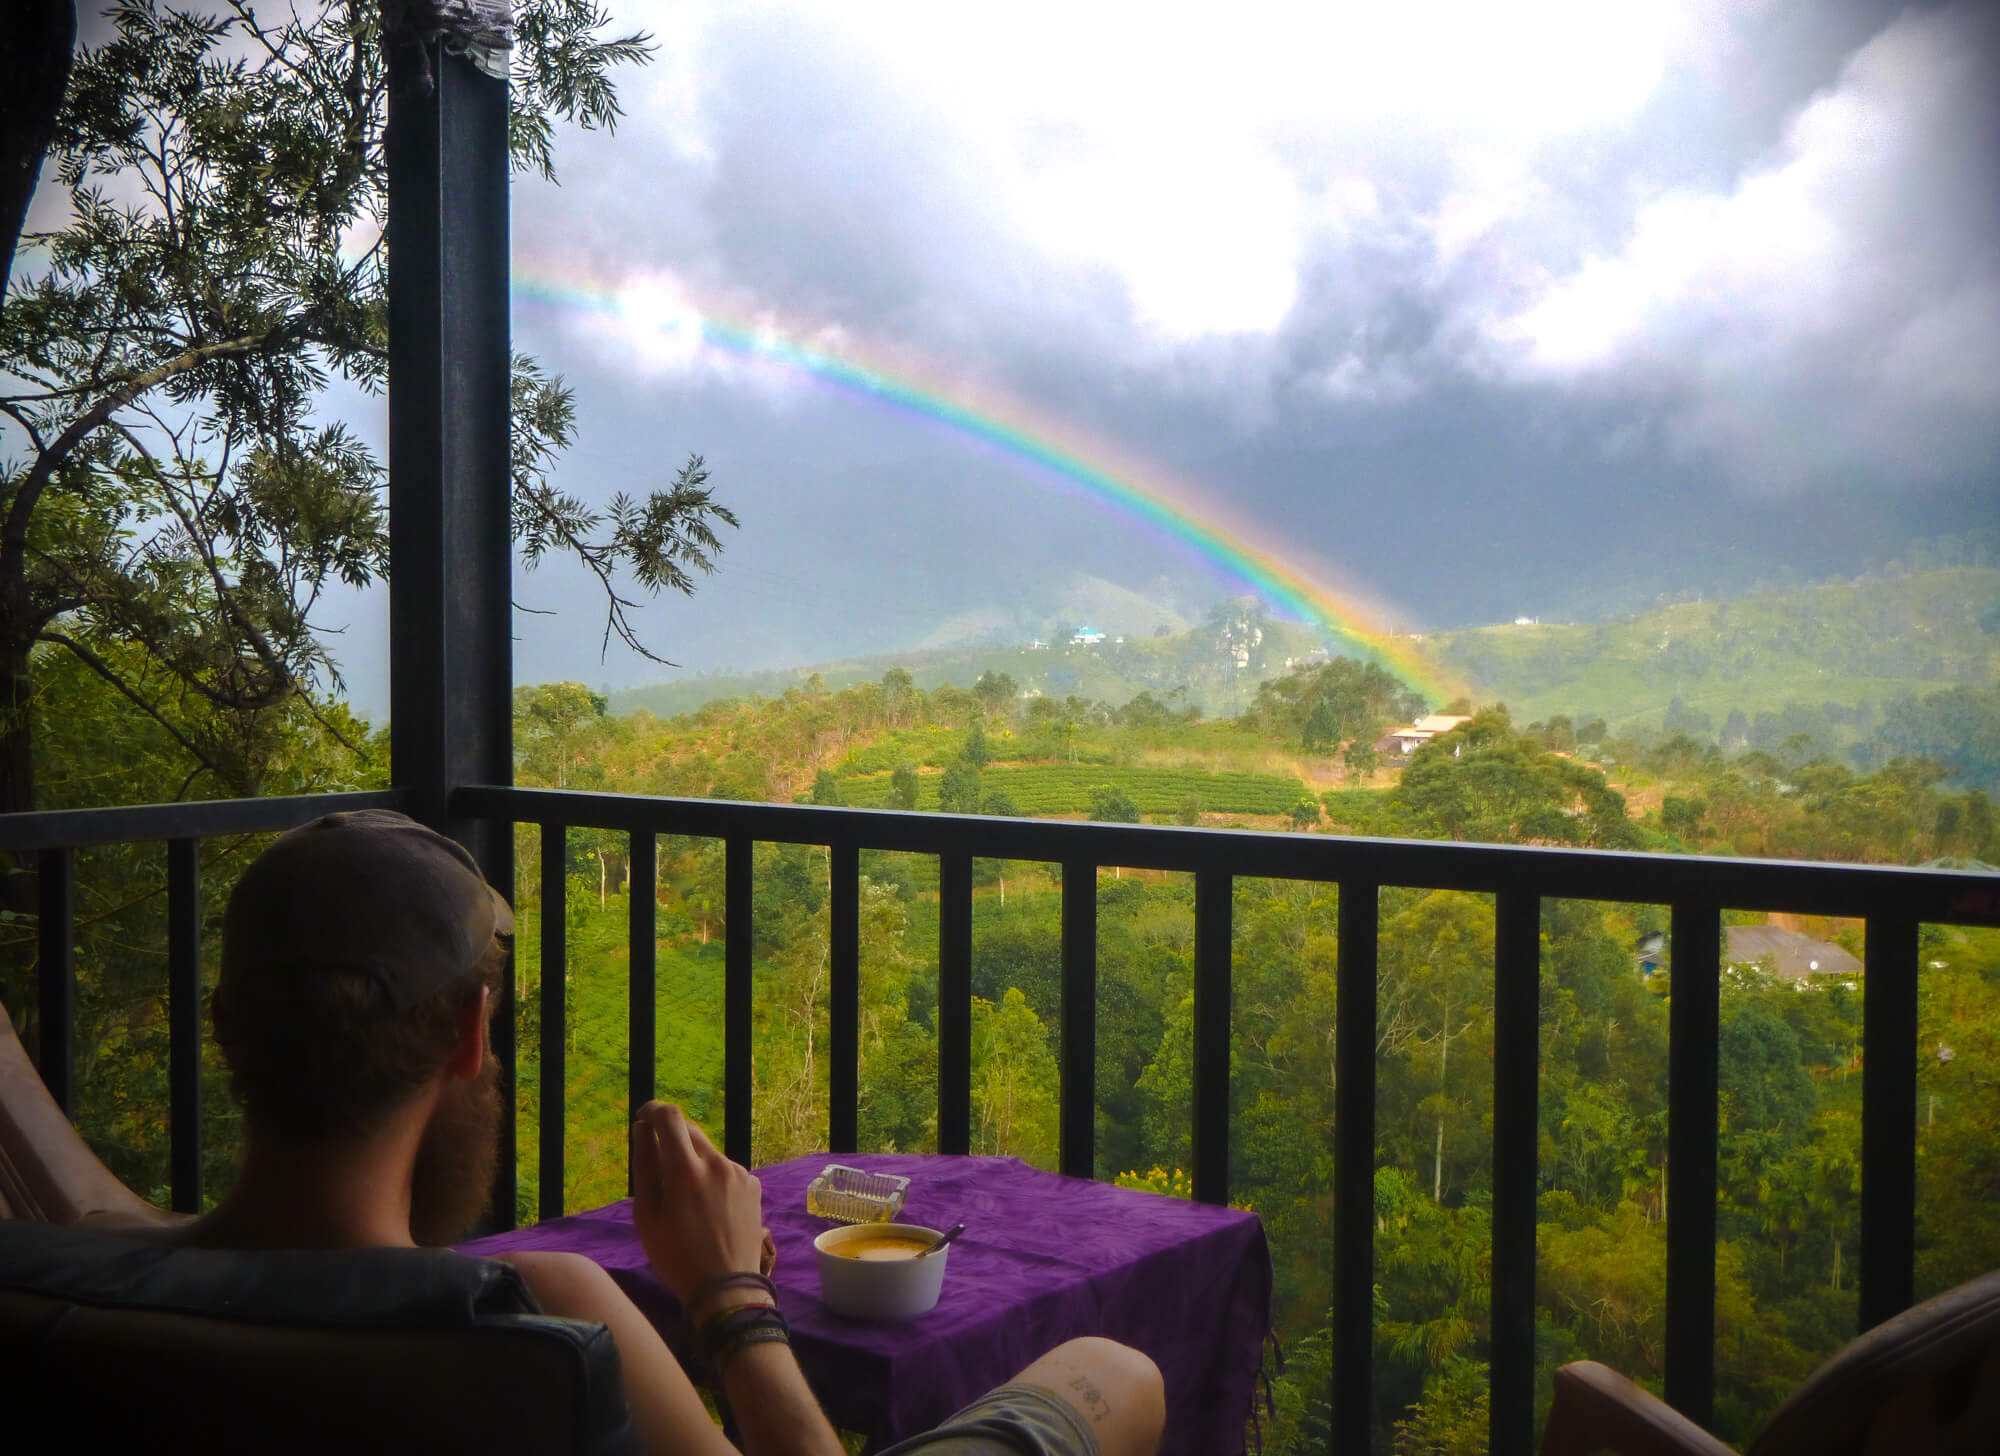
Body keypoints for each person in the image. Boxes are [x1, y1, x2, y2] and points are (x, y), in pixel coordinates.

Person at [169, 809, 1164, 1456]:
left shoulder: (80, 1279)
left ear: (222, 1023)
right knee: (1117, 1374)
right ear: (472, 1034)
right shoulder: (539, 1311)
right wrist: (731, 1296)